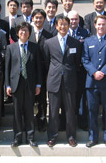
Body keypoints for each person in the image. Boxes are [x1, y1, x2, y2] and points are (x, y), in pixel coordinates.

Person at [82, 15, 106, 148]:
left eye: (103, 24)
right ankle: (93, 138)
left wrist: (103, 72)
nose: (101, 26)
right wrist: (94, 72)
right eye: (98, 24)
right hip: (92, 82)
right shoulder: (88, 41)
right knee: (92, 111)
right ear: (95, 25)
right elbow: (85, 59)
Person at [44, 16, 82, 147]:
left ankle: (71, 136)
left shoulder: (75, 43)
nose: (63, 27)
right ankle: (52, 136)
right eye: (60, 24)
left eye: (65, 24)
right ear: (56, 26)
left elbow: (78, 63)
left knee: (70, 111)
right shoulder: (49, 43)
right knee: (53, 111)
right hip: (54, 81)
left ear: (69, 25)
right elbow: (46, 61)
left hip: (70, 81)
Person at [5, 22, 42, 147]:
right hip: (16, 83)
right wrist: (7, 85)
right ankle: (17, 137)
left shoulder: (35, 47)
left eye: (26, 30)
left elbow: (39, 68)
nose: (23, 33)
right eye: (21, 31)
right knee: (17, 112)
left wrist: (38, 85)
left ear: (29, 33)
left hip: (30, 84)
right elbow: (7, 68)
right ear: (17, 33)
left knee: (29, 111)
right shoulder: (11, 48)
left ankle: (30, 137)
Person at [28, 9, 53, 132]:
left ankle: (42, 121)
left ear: (44, 19)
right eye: (36, 18)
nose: (38, 20)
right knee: (29, 98)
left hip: (44, 71)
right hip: (29, 71)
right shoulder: (27, 34)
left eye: (40, 18)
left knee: (42, 98)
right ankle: (29, 123)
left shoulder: (49, 35)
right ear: (32, 19)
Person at [68, 10, 90, 131]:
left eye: (75, 19)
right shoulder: (64, 31)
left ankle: (82, 122)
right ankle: (69, 121)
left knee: (82, 97)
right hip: (69, 69)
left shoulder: (85, 32)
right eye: (71, 19)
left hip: (81, 70)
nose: (73, 21)